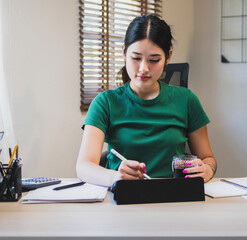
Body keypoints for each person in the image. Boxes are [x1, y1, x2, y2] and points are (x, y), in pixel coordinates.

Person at [76, 15, 216, 187]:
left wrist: (208, 169)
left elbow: (207, 158)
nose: (144, 68)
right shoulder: (106, 102)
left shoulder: (187, 100)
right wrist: (115, 177)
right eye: (136, 58)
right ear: (124, 53)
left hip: (174, 198)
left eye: (154, 60)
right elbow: (84, 166)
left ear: (168, 57)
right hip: (123, 199)